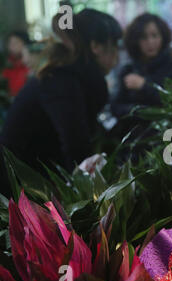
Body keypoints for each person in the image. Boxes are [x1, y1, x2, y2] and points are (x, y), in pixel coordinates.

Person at [0, 9, 122, 197]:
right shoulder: (62, 80)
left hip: (37, 181)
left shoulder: (71, 75)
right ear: (96, 46)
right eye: (114, 44)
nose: (117, 55)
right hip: (21, 191)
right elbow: (76, 148)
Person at [110, 13, 172, 118]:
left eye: (155, 35)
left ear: (163, 37)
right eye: (144, 37)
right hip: (132, 129)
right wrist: (140, 111)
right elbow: (115, 107)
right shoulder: (128, 70)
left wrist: (144, 86)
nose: (150, 42)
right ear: (135, 41)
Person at [1, 31, 31, 97]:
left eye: (15, 43)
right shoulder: (9, 63)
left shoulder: (31, 59)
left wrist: (27, 61)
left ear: (24, 44)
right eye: (10, 43)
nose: (11, 46)